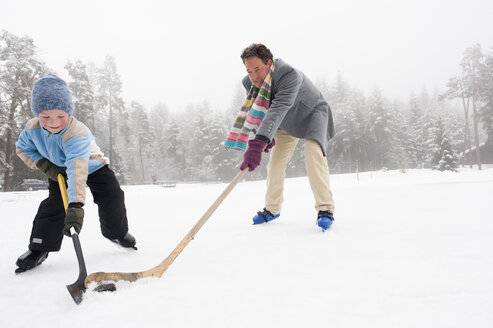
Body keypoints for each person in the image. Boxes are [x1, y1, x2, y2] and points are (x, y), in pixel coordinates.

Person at [15, 74, 137, 273]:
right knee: (54, 205)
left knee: (112, 195)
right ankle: (39, 247)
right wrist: (45, 166)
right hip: (59, 170)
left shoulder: (76, 133)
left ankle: (117, 233)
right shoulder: (31, 129)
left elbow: (77, 170)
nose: (53, 122)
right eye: (45, 116)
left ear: (69, 113)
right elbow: (23, 149)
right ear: (37, 114)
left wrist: (75, 206)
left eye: (60, 116)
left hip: (90, 165)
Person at [225, 43, 336, 231]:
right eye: (249, 71)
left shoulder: (289, 75)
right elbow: (257, 110)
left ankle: (325, 208)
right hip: (285, 122)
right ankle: (272, 208)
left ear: (269, 63)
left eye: (257, 69)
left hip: (312, 115)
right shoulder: (250, 84)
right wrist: (266, 136)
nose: (254, 77)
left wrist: (259, 141)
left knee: (313, 155)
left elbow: (278, 106)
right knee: (275, 163)